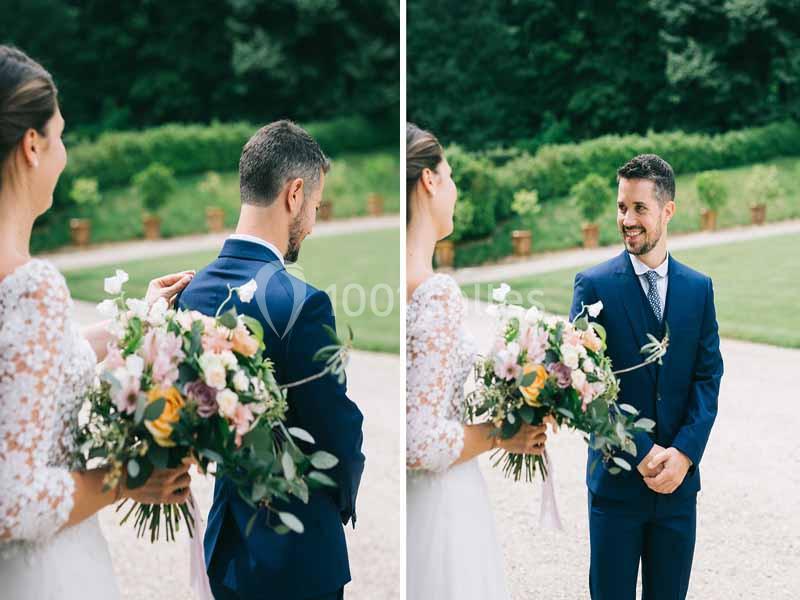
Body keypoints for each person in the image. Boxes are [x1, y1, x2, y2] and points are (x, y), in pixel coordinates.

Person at [0, 45, 195, 599]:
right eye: (59, 136)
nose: (63, 152)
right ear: (32, 145)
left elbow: (25, 364)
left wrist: (139, 321)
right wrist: (131, 478)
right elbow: (11, 501)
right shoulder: (31, 285)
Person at [178, 120, 365, 600]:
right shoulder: (302, 303)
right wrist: (342, 496)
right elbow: (336, 430)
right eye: (317, 206)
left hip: (227, 550)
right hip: (299, 556)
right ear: (295, 193)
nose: (314, 220)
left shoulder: (188, 294)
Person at [570, 154, 723, 600]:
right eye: (621, 207)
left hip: (678, 489)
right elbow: (585, 384)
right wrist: (638, 450)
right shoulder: (593, 285)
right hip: (616, 488)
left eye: (639, 208)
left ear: (667, 210)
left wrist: (684, 454)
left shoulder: (699, 289)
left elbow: (707, 376)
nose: (627, 220)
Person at [405, 122, 549, 600]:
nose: (455, 188)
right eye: (450, 174)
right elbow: (419, 441)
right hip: (437, 503)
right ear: (429, 181)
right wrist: (505, 433)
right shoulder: (434, 292)